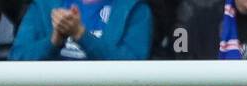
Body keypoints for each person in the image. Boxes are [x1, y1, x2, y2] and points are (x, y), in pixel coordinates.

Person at [9, 0, 154, 60]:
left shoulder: (135, 9)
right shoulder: (44, 4)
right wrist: (53, 40)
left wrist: (81, 34)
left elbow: (134, 73)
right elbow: (17, 59)